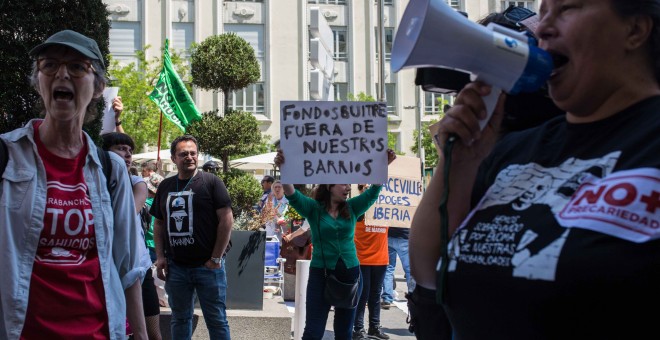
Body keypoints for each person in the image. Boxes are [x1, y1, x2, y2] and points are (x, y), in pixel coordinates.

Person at [408, 1, 660, 339]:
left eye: (567, 9)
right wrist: (460, 164)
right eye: (543, 14)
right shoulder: (515, 151)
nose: (541, 29)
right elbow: (430, 273)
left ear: (635, 30)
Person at [0, 29, 147, 339]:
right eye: (49, 64)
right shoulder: (6, 157)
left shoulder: (111, 169)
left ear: (98, 87)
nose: (62, 73)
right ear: (38, 80)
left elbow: (128, 267)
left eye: (78, 67)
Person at [274, 148, 397, 340]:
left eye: (349, 184)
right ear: (329, 186)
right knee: (313, 331)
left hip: (349, 274)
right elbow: (292, 194)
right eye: (344, 184)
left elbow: (373, 192)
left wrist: (383, 166)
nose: (348, 188)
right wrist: (283, 168)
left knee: (344, 332)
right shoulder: (314, 209)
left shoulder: (353, 207)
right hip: (320, 274)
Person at [151, 134, 233, 340]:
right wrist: (160, 257)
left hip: (209, 267)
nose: (189, 157)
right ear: (173, 159)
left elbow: (226, 220)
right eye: (183, 154)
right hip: (176, 267)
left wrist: (215, 258)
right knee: (179, 318)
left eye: (193, 153)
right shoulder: (165, 186)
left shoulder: (211, 182)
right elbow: (159, 222)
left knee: (216, 319)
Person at [102, 132, 163, 340]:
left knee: (150, 333)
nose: (127, 154)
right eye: (120, 149)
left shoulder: (138, 182)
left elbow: (128, 213)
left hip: (140, 266)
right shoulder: (96, 183)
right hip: (109, 268)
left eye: (130, 151)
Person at [352, 184, 390, 340]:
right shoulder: (357, 207)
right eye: (365, 187)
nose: (368, 189)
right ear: (360, 189)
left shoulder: (386, 207)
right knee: (362, 295)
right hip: (362, 258)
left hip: (380, 258)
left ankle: (374, 327)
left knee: (375, 294)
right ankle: (358, 329)